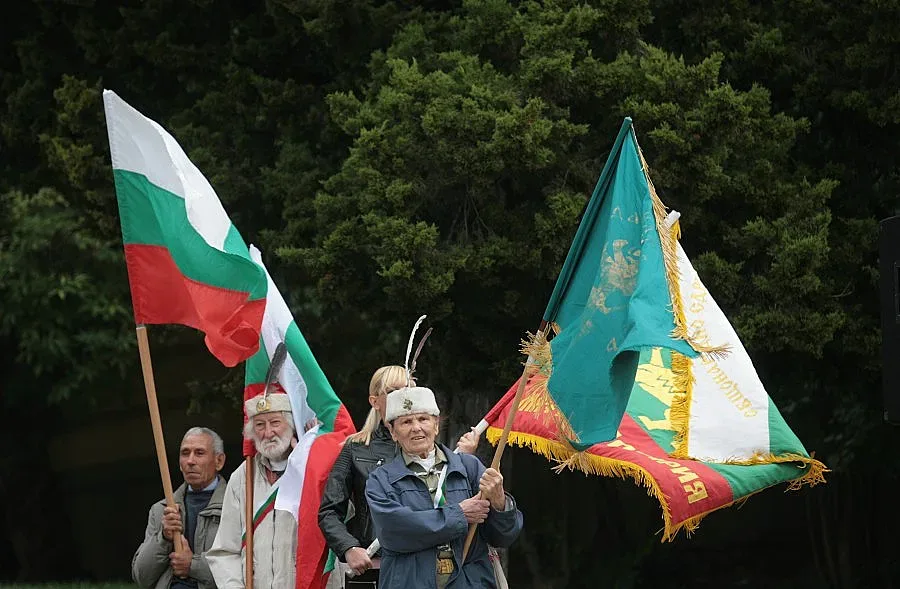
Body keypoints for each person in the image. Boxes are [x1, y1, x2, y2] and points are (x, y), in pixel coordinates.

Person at [319, 366, 479, 587]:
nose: (406, 396)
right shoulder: (355, 449)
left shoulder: (436, 451)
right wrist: (348, 547)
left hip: (433, 566)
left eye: (410, 389)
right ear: (375, 401)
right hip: (374, 565)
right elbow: (329, 510)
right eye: (394, 392)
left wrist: (467, 462)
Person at [365, 386, 522, 589]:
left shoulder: (468, 467)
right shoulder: (381, 480)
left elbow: (504, 536)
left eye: (423, 419)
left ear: (436, 424)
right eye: (406, 422)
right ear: (392, 431)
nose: (416, 428)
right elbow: (394, 531)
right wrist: (459, 515)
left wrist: (500, 502)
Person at [206, 390, 299, 588]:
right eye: (259, 425)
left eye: (275, 422)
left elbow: (345, 516)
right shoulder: (242, 477)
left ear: (291, 425)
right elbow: (225, 551)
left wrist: (311, 461)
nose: (268, 432)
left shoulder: (312, 468)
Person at [132, 427, 228, 589]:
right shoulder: (161, 509)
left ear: (219, 461)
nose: (190, 460)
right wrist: (164, 538)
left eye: (199, 453)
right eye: (185, 453)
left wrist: (193, 565)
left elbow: (244, 569)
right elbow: (141, 576)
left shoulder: (236, 505)